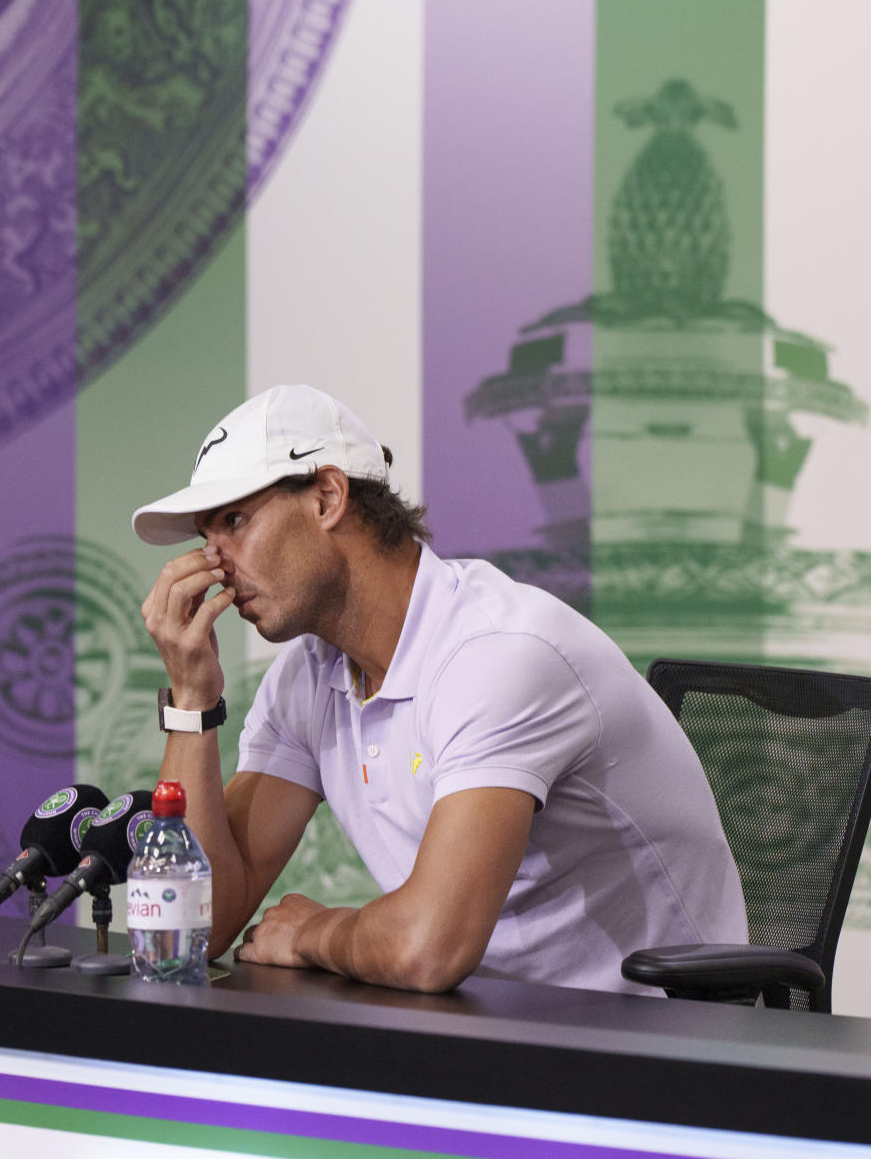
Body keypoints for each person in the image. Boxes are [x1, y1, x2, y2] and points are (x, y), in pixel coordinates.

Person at [133, 383, 747, 994]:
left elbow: (428, 948)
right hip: (492, 1030)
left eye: (235, 522)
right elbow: (196, 928)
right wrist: (190, 701)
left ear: (326, 497)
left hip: (664, 1043)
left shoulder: (499, 655)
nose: (214, 566)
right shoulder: (308, 676)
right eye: (206, 537)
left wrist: (312, 932)